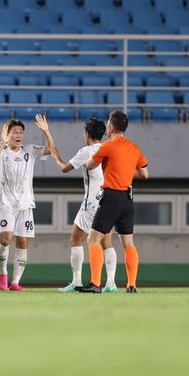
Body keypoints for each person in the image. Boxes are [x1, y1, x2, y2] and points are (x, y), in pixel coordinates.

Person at [46, 117, 118, 292]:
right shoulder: (110, 148)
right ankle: (111, 283)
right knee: (107, 243)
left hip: (92, 203)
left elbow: (65, 168)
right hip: (109, 200)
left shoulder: (86, 151)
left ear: (87, 134)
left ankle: (76, 281)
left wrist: (56, 156)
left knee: (76, 238)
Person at [81, 111, 149, 293]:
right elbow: (144, 174)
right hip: (128, 198)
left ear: (111, 127)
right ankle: (132, 285)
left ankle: (95, 283)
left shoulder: (108, 146)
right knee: (128, 243)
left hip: (111, 197)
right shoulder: (134, 148)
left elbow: (89, 165)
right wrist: (125, 173)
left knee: (93, 239)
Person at [0, 115, 54, 291]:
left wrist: (46, 131)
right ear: (7, 134)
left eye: (21, 132)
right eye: (15, 132)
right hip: (6, 204)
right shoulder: (0, 150)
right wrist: (1, 143)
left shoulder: (29, 150)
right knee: (6, 238)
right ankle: (2, 272)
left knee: (22, 242)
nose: (18, 135)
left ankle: (15, 282)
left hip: (25, 204)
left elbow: (51, 149)